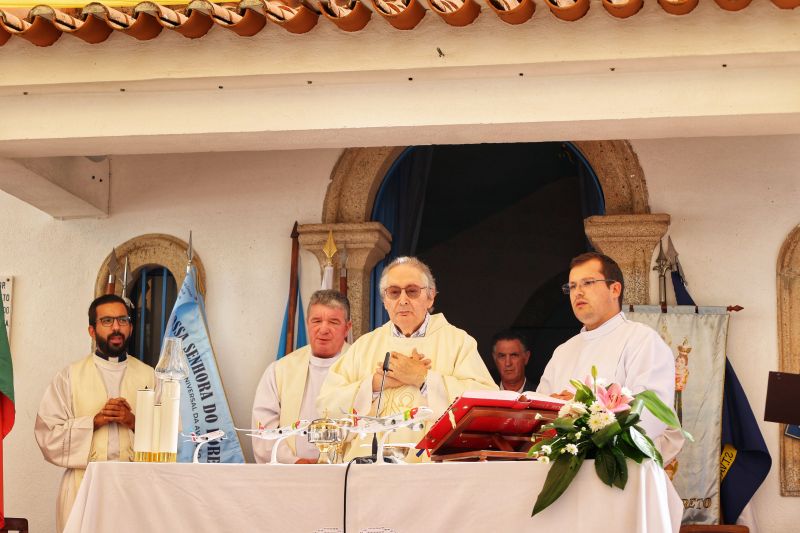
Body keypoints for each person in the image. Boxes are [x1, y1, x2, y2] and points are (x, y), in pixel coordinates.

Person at [317, 256, 497, 461]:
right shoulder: (364, 346)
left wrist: (423, 378)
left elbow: (488, 406)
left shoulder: (457, 342)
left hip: (432, 469)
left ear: (430, 297)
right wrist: (374, 385)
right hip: (368, 468)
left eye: (412, 291)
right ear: (385, 301)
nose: (402, 300)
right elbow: (326, 407)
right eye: (394, 292)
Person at [536, 252, 682, 462]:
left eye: (587, 283)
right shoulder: (563, 352)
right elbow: (539, 414)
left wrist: (578, 408)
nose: (578, 292)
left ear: (615, 289)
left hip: (622, 467)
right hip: (564, 465)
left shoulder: (642, 340)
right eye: (572, 286)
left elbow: (649, 416)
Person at [35, 294, 155, 532]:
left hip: (136, 487)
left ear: (130, 327)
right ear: (92, 330)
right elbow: (47, 436)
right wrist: (94, 422)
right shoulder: (69, 377)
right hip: (84, 485)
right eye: (107, 321)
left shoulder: (150, 376)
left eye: (122, 320)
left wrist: (133, 422)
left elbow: (172, 437)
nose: (116, 327)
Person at [251, 290, 352, 464]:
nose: (323, 329)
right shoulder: (280, 371)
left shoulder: (363, 367)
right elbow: (264, 429)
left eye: (333, 322)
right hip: (292, 472)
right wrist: (294, 461)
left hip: (347, 473)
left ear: (347, 328)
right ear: (307, 323)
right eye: (316, 321)